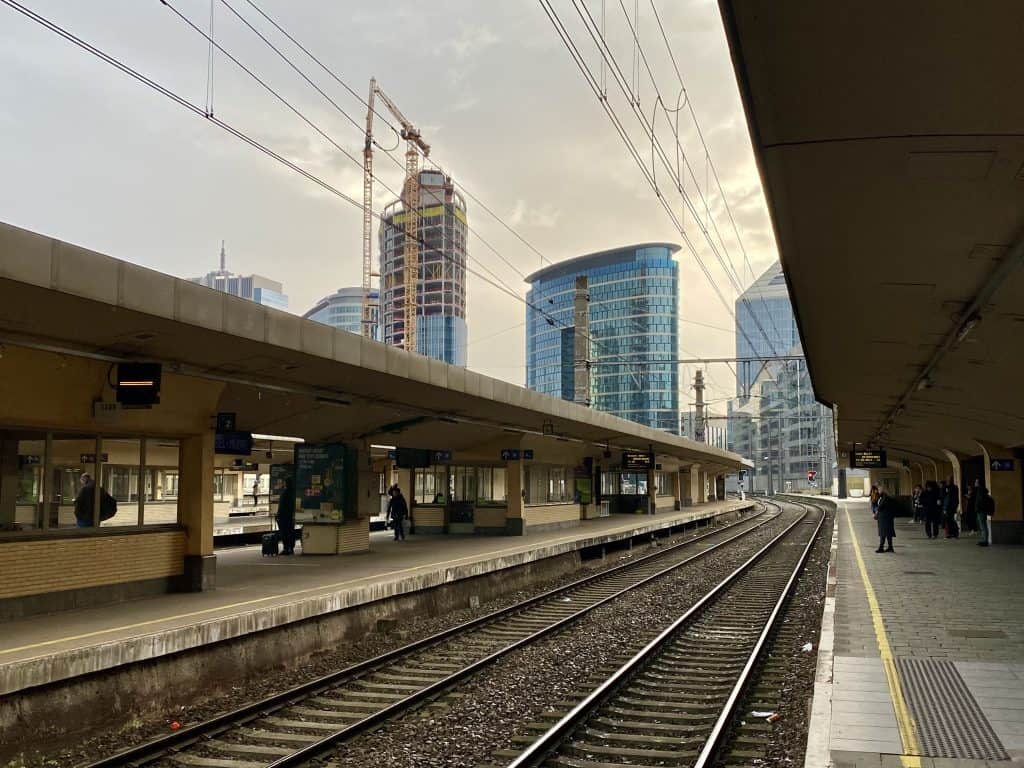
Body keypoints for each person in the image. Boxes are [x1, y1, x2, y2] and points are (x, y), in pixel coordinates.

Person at [276, 477, 297, 555]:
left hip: (284, 516)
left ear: (286, 483)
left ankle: (286, 548)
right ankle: (291, 548)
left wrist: (278, 514)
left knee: (284, 532)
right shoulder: (294, 493)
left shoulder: (285, 493)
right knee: (291, 532)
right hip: (291, 516)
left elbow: (281, 506)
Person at [874, 486, 897, 553]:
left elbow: (880, 506)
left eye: (879, 490)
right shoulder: (884, 497)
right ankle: (890, 547)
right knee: (888, 533)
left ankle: (881, 547)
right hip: (886, 517)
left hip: (885, 517)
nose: (878, 491)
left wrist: (876, 513)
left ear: (883, 490)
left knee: (883, 533)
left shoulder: (885, 497)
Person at [974, 481, 994, 547]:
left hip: (981, 511)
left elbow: (980, 501)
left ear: (978, 483)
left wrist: (978, 508)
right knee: (983, 526)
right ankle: (984, 540)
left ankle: (985, 541)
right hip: (982, 510)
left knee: (983, 526)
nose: (975, 483)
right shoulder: (982, 490)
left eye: (976, 482)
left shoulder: (980, 491)